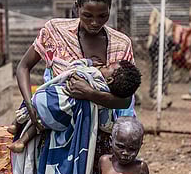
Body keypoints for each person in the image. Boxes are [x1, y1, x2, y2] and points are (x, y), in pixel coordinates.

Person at [13, 0, 136, 174]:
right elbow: (23, 67)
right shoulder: (55, 31)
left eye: (102, 16)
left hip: (99, 139)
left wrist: (89, 93)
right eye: (87, 15)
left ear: (110, 10)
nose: (94, 22)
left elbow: (125, 98)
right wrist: (32, 108)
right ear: (77, 6)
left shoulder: (121, 44)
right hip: (55, 135)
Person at [8, 59, 141, 153]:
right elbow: (104, 122)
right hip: (63, 120)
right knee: (41, 125)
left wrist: (88, 62)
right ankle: (22, 142)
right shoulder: (105, 96)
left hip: (51, 99)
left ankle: (15, 124)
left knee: (34, 111)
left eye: (107, 67)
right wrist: (109, 126)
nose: (103, 66)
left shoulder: (93, 74)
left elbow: (76, 66)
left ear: (110, 79)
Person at [91, 116, 159, 174]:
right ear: (111, 141)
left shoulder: (140, 168)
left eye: (132, 149)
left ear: (140, 145)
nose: (125, 153)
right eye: (120, 146)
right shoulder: (104, 161)